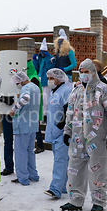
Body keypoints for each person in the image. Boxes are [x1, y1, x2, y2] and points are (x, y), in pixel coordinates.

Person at [60, 59, 107, 211]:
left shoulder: (104, 90)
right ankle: (75, 200)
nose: (84, 75)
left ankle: (98, 200)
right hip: (77, 139)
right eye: (81, 72)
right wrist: (67, 131)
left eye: (87, 71)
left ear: (94, 72)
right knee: (75, 168)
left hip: (98, 139)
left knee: (98, 170)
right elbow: (70, 113)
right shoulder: (76, 91)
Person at [0, 50, 27, 176]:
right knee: (8, 140)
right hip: (6, 113)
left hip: (21, 112)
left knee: (21, 140)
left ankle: (22, 166)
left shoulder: (24, 77)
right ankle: (9, 166)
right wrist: (2, 98)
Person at [43, 68, 72, 199]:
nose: (49, 81)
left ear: (59, 78)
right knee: (62, 160)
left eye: (51, 78)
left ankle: (55, 189)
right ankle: (63, 187)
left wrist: (62, 124)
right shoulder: (54, 91)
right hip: (55, 132)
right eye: (48, 78)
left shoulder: (65, 91)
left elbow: (68, 110)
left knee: (60, 161)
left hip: (62, 132)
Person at [9, 71, 41, 185]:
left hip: (22, 125)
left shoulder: (26, 88)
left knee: (20, 152)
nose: (17, 85)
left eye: (17, 82)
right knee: (30, 151)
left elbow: (25, 98)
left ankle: (22, 177)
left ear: (21, 80)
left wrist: (14, 109)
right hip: (32, 125)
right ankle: (33, 175)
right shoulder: (36, 87)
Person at [32, 38, 54, 119]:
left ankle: (45, 114)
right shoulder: (39, 58)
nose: (42, 53)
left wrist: (48, 59)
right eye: (41, 52)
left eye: (43, 52)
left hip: (46, 80)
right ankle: (40, 112)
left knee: (46, 97)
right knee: (39, 97)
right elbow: (35, 68)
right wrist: (34, 60)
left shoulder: (51, 58)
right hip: (39, 78)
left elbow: (50, 68)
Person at [27, 60, 45, 153]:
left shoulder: (33, 78)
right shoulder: (32, 77)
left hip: (34, 107)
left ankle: (40, 145)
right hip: (33, 107)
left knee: (36, 128)